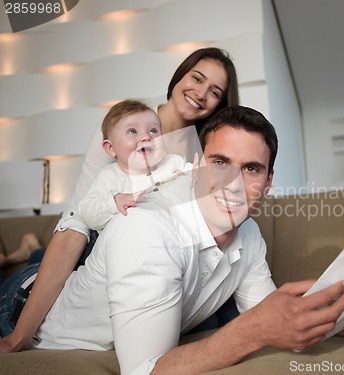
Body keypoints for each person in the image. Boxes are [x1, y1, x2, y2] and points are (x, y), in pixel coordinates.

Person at [30, 106, 344, 374]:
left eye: (251, 169)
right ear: (198, 165)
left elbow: (266, 310)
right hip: (27, 310)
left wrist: (329, 318)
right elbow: (142, 370)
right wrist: (251, 332)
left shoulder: (248, 233)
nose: (233, 182)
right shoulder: (147, 229)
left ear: (268, 181)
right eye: (220, 162)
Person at [0, 47, 239, 352]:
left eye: (214, 91)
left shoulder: (199, 150)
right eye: (196, 78)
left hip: (160, 257)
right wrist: (19, 336)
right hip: (94, 241)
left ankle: (31, 251)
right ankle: (32, 255)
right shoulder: (125, 123)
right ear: (180, 75)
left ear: (220, 103)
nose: (201, 93)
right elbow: (78, 223)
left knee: (215, 311)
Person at [78, 99, 191, 231]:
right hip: (128, 242)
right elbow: (86, 212)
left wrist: (194, 176)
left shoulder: (173, 162)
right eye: (132, 131)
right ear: (111, 148)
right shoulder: (109, 177)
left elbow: (203, 184)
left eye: (153, 131)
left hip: (171, 236)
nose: (146, 137)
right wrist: (114, 203)